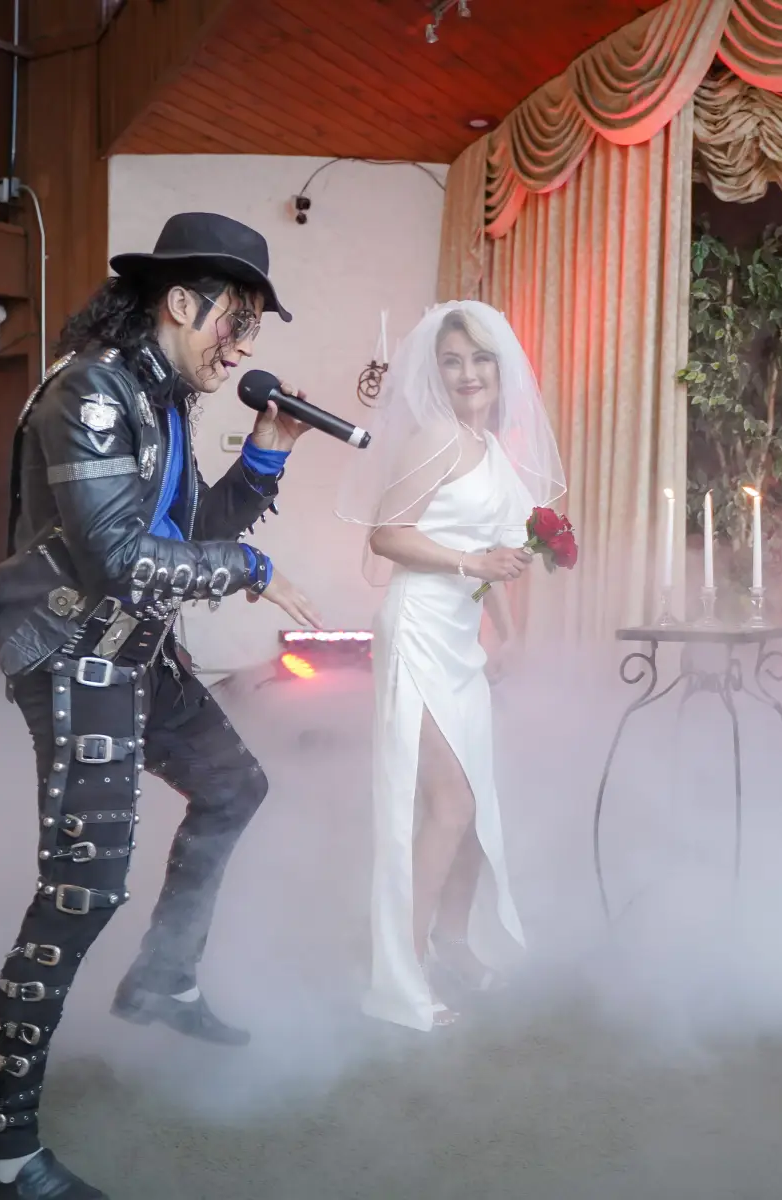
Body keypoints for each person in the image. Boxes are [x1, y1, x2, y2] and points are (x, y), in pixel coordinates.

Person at [0, 212, 323, 1199]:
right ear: (180, 302)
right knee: (84, 885)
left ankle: (164, 977)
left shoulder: (156, 399)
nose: (241, 347)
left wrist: (267, 454)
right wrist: (247, 566)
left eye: (249, 328)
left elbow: (188, 524)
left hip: (136, 655)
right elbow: (125, 561)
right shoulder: (92, 393)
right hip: (78, 660)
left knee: (233, 787)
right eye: (233, 322)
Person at [335, 300, 565, 1031]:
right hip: (417, 630)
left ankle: (454, 943)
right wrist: (473, 559)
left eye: (480, 359)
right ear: (438, 374)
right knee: (448, 805)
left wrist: (510, 636)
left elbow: (498, 560)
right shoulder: (436, 437)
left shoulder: (491, 448)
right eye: (453, 361)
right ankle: (399, 977)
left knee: (473, 812)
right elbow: (386, 536)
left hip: (461, 639)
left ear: (503, 369)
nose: (468, 373)